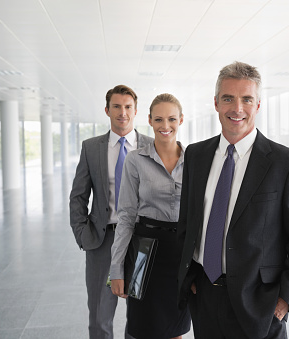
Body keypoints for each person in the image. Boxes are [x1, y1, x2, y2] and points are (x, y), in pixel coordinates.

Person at [176, 61, 289, 339]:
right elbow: (188, 222)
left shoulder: (285, 162)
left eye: (247, 99)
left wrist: (285, 300)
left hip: (260, 305)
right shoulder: (196, 155)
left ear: (258, 105)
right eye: (228, 98)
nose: (237, 108)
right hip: (205, 297)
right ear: (216, 103)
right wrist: (191, 277)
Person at [69, 85, 153, 339]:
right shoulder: (92, 147)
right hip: (103, 240)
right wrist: (83, 234)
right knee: (99, 316)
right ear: (107, 110)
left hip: (140, 241)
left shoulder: (152, 146)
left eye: (128, 107)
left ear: (135, 111)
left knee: (139, 316)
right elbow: (78, 196)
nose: (122, 112)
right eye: (116, 106)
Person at [110, 93, 191, 339]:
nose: (165, 126)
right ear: (149, 120)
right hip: (143, 251)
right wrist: (116, 268)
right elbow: (125, 216)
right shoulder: (136, 159)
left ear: (181, 120)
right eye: (158, 119)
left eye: (171, 119)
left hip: (181, 252)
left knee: (176, 329)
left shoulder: (195, 159)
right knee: (141, 327)